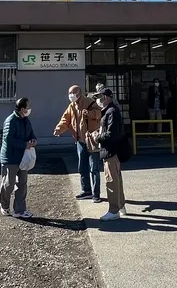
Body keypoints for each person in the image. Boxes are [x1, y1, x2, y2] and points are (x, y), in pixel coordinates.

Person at [53, 85, 103, 203]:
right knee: (82, 167)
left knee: (94, 168)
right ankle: (86, 191)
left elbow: (100, 114)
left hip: (91, 140)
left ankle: (96, 194)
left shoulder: (89, 102)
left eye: (73, 93)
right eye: (69, 93)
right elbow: (65, 119)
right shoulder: (72, 106)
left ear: (79, 92)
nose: (71, 95)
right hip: (80, 141)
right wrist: (59, 129)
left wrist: (90, 114)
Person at [89, 89, 130, 221]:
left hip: (111, 151)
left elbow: (111, 134)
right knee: (117, 179)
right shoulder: (109, 111)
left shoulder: (111, 112)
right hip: (112, 150)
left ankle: (114, 210)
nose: (97, 100)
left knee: (111, 180)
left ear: (106, 97)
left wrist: (97, 137)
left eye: (99, 97)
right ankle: (121, 205)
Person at [0, 97, 37, 219]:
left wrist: (33, 140)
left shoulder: (26, 120)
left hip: (23, 157)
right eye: (28, 107)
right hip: (10, 157)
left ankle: (19, 210)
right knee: (9, 183)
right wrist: (24, 144)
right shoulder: (11, 121)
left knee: (22, 183)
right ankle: (4, 205)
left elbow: (31, 133)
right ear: (22, 109)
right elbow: (8, 139)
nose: (29, 109)